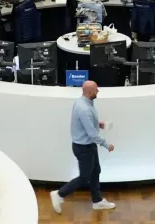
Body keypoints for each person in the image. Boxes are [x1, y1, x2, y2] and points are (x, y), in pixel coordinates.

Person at [50, 81, 116, 213]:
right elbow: (92, 134)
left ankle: (97, 201)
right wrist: (106, 145)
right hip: (84, 148)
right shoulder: (84, 109)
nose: (98, 91)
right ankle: (59, 194)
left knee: (95, 171)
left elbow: (86, 124)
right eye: (96, 90)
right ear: (90, 92)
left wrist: (97, 124)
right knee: (84, 177)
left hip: (88, 146)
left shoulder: (82, 102)